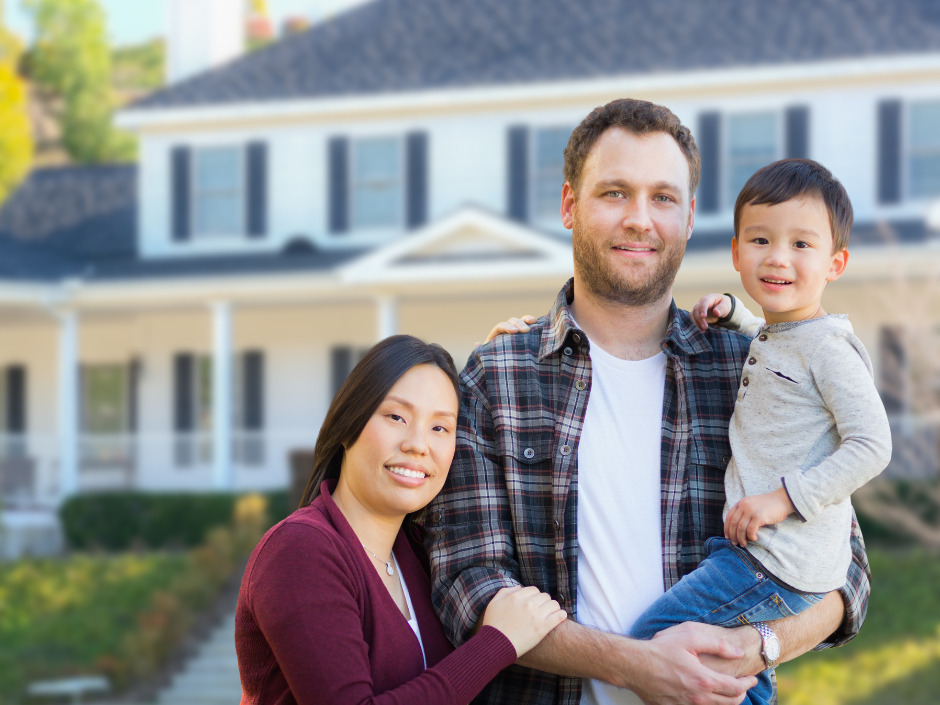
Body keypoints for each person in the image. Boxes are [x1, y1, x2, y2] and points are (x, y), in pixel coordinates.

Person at [426, 98, 872, 705]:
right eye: (614, 192)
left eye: (662, 197)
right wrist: (637, 666)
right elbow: (468, 586)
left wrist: (763, 644)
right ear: (568, 206)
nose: (640, 219)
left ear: (688, 217)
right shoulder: (496, 378)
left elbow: (844, 567)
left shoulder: (745, 369)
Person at [625, 158, 892, 705]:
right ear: (736, 252)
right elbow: (777, 348)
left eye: (801, 245)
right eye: (762, 239)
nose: (778, 257)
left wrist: (783, 499)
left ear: (835, 262)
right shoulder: (782, 334)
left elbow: (872, 446)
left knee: (650, 645)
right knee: (727, 664)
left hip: (775, 558)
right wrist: (736, 316)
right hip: (761, 551)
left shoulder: (830, 350)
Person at [235, 335, 567, 705]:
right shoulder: (300, 550)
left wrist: (519, 345)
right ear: (349, 425)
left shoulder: (421, 554)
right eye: (396, 417)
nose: (417, 444)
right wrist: (497, 642)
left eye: (440, 427)